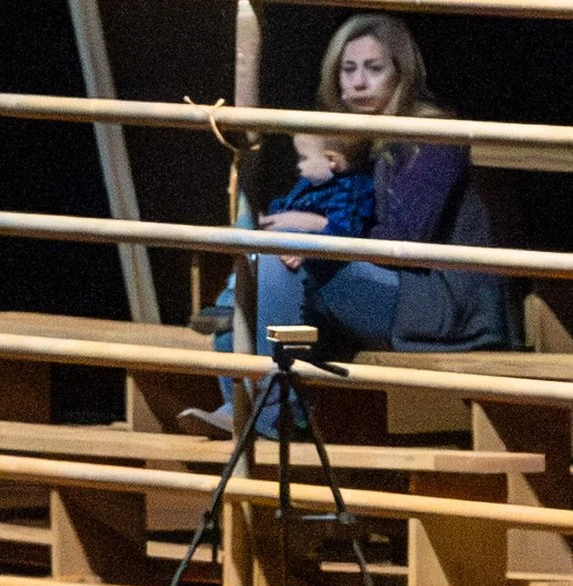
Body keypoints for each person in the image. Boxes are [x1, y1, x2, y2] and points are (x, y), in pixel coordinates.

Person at [188, 12, 509, 435]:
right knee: (275, 255)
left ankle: (266, 413)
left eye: (374, 69)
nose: (358, 82)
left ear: (402, 74)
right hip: (378, 287)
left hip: (439, 305)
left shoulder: (432, 134)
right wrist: (306, 231)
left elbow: (403, 241)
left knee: (286, 251)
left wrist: (315, 231)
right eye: (348, 69)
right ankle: (255, 409)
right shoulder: (348, 138)